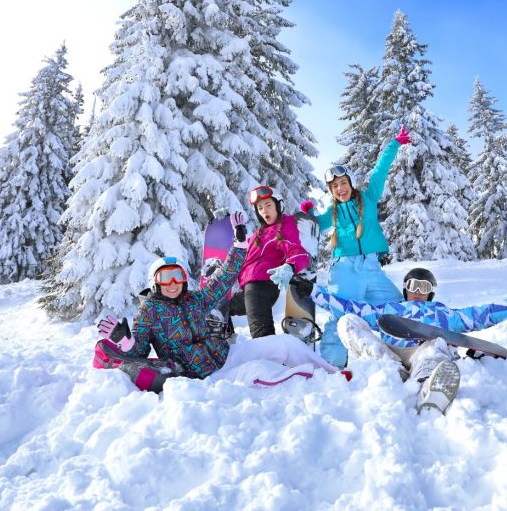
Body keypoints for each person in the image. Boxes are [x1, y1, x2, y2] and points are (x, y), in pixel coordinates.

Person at [93, 212, 337, 393]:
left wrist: (240, 245)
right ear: (154, 283)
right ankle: (307, 383)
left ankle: (334, 376)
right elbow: (140, 353)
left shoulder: (195, 300)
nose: (173, 283)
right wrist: (124, 340)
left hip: (227, 354)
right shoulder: (149, 313)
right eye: (165, 278)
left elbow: (224, 278)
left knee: (285, 344)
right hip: (207, 376)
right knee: (262, 372)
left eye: (177, 276)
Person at [290, 269, 507, 412]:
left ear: (431, 293)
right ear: (405, 289)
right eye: (413, 286)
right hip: (390, 351)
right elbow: (348, 307)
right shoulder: (389, 310)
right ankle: (389, 373)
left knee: (437, 345)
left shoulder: (445, 314)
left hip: (423, 350)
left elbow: (484, 313)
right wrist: (313, 291)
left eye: (424, 287)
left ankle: (427, 385)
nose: (418, 292)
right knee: (347, 321)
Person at [300, 126, 411, 368]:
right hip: (345, 269)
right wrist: (308, 215)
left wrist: (394, 144)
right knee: (340, 314)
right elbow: (317, 225)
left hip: (371, 268)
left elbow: (380, 171)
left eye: (343, 182)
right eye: (335, 186)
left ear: (350, 182)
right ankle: (333, 365)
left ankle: (404, 354)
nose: (340, 189)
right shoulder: (334, 212)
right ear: (331, 191)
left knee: (396, 309)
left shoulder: (369, 198)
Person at [228, 185, 311, 339]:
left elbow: (299, 252)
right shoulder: (259, 234)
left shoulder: (285, 226)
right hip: (250, 289)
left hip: (262, 286)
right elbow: (244, 258)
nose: (264, 210)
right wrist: (238, 239)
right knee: (220, 308)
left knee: (262, 337)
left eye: (268, 205)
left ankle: (270, 361)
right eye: (260, 208)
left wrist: (290, 266)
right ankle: (227, 344)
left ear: (278, 206)